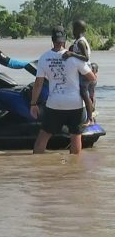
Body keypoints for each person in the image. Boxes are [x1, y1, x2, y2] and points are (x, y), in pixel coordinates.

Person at [30, 26, 96, 155]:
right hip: (75, 104)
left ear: (52, 40)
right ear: (65, 40)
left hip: (54, 104)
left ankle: (36, 168)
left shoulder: (44, 58)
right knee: (76, 136)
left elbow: (38, 83)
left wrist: (33, 104)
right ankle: (74, 169)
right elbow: (91, 78)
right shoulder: (75, 58)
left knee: (43, 136)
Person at [62, 20, 94, 125]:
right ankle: (90, 112)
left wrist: (72, 54)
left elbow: (85, 57)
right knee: (85, 94)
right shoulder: (78, 41)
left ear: (77, 30)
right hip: (82, 71)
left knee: (84, 94)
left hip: (85, 72)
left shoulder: (80, 42)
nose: (72, 31)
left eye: (74, 29)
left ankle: (90, 119)